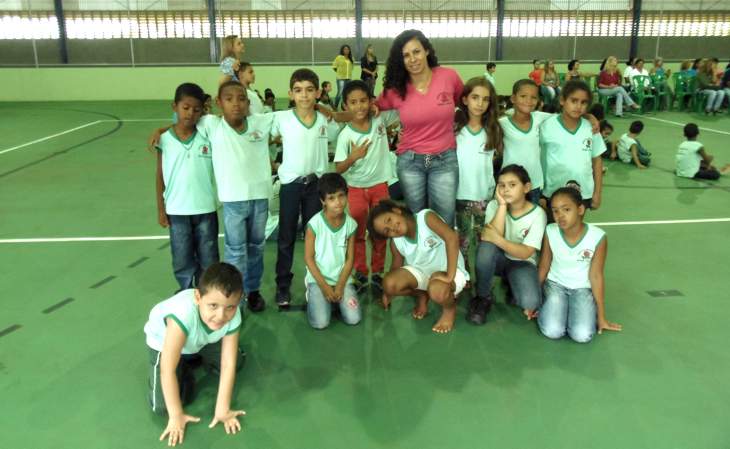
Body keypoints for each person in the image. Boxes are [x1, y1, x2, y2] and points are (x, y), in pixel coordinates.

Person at [144, 262, 246, 446]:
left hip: (199, 340)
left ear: (238, 302)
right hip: (164, 343)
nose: (221, 315)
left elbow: (228, 364)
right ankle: (184, 364)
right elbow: (167, 370)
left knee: (237, 361)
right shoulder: (183, 315)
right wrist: (176, 416)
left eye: (229, 307)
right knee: (162, 407)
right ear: (198, 297)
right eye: (213, 305)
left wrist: (222, 409)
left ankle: (189, 358)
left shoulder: (233, 314)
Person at [376, 29, 464, 227]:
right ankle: (420, 259)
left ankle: (444, 258)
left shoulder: (448, 76)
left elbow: (464, 103)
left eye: (416, 52)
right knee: (416, 219)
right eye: (406, 55)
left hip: (445, 160)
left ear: (426, 51)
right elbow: (372, 107)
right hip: (410, 162)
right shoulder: (395, 88)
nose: (412, 59)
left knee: (443, 221)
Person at [272, 68, 341, 308]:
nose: (304, 96)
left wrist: (330, 112)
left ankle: (318, 284)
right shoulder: (280, 118)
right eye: (299, 91)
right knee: (286, 237)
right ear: (291, 94)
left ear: (318, 93)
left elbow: (342, 125)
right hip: (291, 186)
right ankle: (283, 286)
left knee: (317, 237)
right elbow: (259, 134)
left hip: (316, 186)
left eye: (310, 90)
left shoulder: (325, 120)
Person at [334, 80, 399, 293]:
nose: (359, 106)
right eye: (353, 102)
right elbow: (338, 168)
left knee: (381, 230)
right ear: (346, 105)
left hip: (380, 186)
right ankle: (360, 272)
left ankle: (378, 272)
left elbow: (400, 105)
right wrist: (353, 157)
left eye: (363, 101)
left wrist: (380, 103)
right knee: (359, 232)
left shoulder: (380, 119)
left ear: (371, 101)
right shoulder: (345, 135)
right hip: (355, 189)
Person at [368, 200, 470, 334]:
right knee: (389, 283)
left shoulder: (425, 218)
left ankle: (449, 310)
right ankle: (422, 295)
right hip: (422, 274)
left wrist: (449, 276)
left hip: (451, 270)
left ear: (396, 211)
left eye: (389, 220)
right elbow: (396, 267)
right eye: (387, 231)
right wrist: (388, 292)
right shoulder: (396, 242)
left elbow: (452, 238)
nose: (392, 228)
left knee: (437, 290)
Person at [155, 83, 219, 291]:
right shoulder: (163, 140)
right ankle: (185, 292)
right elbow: (160, 175)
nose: (190, 113)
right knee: (181, 257)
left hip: (205, 209)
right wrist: (161, 208)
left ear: (203, 111)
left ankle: (205, 292)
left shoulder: (208, 136)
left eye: (196, 109)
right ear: (175, 106)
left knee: (208, 257)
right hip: (177, 210)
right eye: (185, 107)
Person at [537, 188, 621, 343]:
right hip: (555, 285)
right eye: (555, 211)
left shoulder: (598, 237)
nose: (560, 216)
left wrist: (602, 317)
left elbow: (596, 276)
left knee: (582, 335)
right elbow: (544, 265)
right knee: (552, 330)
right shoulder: (550, 231)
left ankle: (584, 310)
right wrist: (534, 301)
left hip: (582, 288)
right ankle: (550, 305)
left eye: (566, 209)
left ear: (581, 209)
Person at [467, 165, 547, 325]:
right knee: (486, 249)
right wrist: (502, 206)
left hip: (522, 263)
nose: (506, 190)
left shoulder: (538, 214)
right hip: (498, 258)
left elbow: (525, 253)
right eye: (501, 185)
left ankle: (511, 282)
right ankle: (483, 297)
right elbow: (489, 239)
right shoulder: (494, 206)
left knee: (530, 302)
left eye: (512, 185)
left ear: (526, 187)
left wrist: (499, 240)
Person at [454, 76, 503, 273]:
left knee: (483, 243)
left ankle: (483, 279)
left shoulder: (494, 129)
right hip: (459, 196)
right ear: (465, 99)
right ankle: (463, 273)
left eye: (485, 99)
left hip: (485, 198)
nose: (480, 103)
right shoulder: (454, 128)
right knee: (461, 242)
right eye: (475, 97)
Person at [304, 173, 361, 329]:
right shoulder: (314, 225)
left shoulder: (351, 225)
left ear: (346, 195)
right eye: (331, 198)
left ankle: (334, 301)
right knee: (320, 323)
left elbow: (350, 259)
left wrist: (341, 285)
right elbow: (309, 259)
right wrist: (324, 287)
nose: (338, 202)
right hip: (319, 280)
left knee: (353, 318)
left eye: (341, 196)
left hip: (342, 279)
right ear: (323, 201)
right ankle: (312, 293)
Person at [540, 80, 605, 210]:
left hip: (583, 192)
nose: (578, 106)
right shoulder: (546, 125)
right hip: (553, 191)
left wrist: (597, 193)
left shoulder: (592, 128)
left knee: (575, 229)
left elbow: (597, 161)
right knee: (552, 229)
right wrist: (541, 192)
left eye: (583, 102)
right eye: (573, 101)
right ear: (562, 100)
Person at [499, 79, 553, 205]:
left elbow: (565, 118)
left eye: (533, 97)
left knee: (530, 222)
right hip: (509, 184)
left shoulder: (540, 117)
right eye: (523, 96)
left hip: (534, 184)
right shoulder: (502, 124)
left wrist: (591, 117)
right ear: (513, 98)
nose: (528, 101)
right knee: (510, 222)